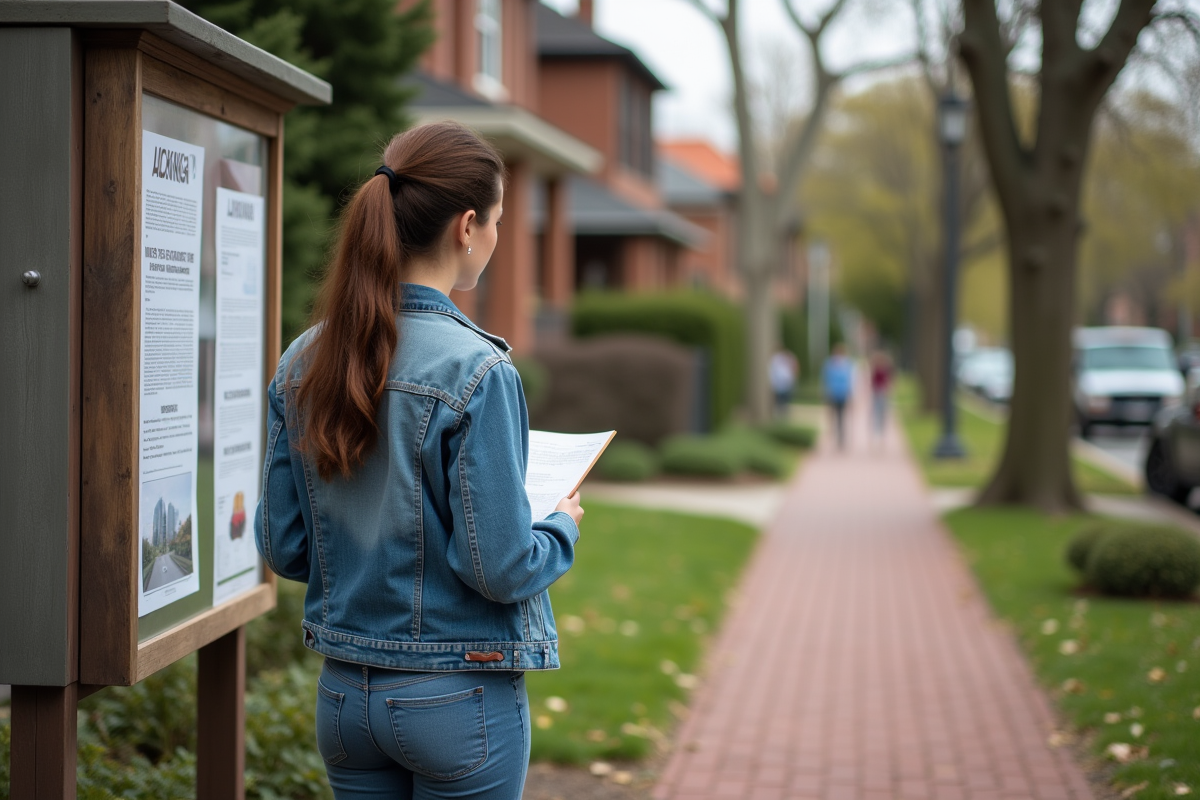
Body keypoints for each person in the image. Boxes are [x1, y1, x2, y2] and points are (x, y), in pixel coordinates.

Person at [254, 122, 584, 799]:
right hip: (458, 698)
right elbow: (501, 566)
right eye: (496, 221)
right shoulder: (479, 370)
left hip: (345, 701)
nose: (494, 236)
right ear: (468, 226)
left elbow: (286, 547)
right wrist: (561, 526)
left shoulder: (302, 361)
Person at [822, 343, 854, 450]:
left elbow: (850, 380)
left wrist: (850, 394)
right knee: (832, 416)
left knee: (841, 416)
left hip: (843, 394)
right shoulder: (829, 364)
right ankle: (834, 434)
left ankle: (841, 438)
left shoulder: (847, 364)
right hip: (832, 393)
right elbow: (825, 379)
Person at [869, 350, 894, 441]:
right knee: (876, 412)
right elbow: (872, 382)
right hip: (877, 393)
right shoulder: (875, 369)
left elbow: (889, 380)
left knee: (882, 412)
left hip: (883, 393)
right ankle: (877, 432)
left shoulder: (885, 369)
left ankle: (881, 431)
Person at [769, 348, 799, 419]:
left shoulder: (787, 359)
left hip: (786, 384)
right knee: (780, 400)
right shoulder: (775, 360)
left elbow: (794, 367)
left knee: (785, 400)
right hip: (779, 385)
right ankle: (780, 414)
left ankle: (784, 414)